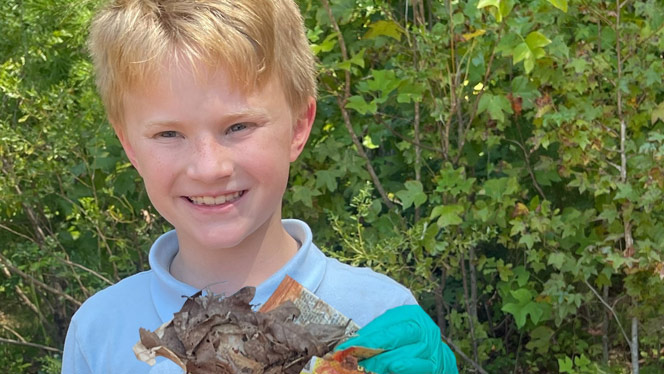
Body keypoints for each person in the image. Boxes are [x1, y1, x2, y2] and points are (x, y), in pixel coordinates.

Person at [61, 0, 458, 373]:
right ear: (129, 145)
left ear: (299, 125)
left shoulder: (380, 316)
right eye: (168, 133)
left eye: (238, 127)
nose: (208, 167)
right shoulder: (99, 334)